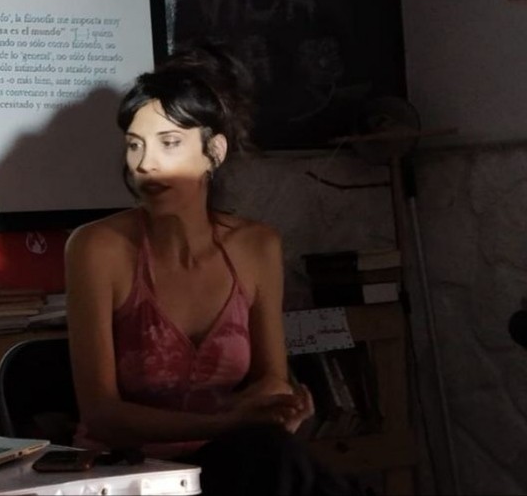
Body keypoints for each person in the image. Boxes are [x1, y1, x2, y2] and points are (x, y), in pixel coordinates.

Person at [65, 42, 359, 495]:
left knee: (275, 458)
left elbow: (271, 376)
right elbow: (102, 415)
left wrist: (277, 406)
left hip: (229, 461)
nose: (145, 163)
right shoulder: (97, 248)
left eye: (169, 143)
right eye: (134, 145)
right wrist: (227, 422)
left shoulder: (257, 246)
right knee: (277, 462)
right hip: (128, 473)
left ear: (214, 152)